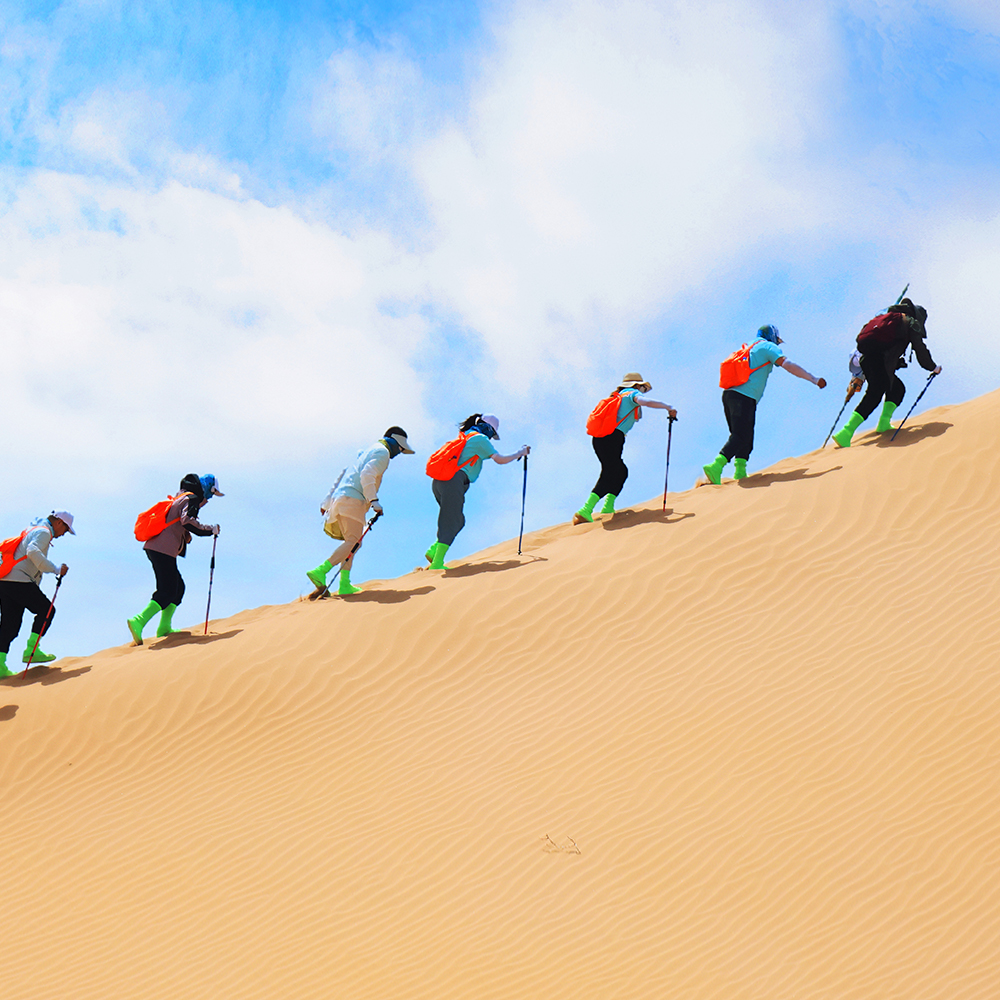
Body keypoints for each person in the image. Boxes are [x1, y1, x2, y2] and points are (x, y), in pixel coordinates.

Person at [703, 325, 827, 484]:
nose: (777, 344)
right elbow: (788, 365)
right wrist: (813, 379)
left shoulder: (747, 346)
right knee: (741, 435)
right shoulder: (767, 346)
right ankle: (716, 466)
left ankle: (740, 471)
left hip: (730, 395)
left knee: (745, 435)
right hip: (744, 396)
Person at [307, 427, 415, 597]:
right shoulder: (382, 452)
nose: (399, 453)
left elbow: (345, 474)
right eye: (401, 449)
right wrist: (374, 501)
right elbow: (367, 475)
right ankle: (322, 570)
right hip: (353, 501)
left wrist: (327, 501)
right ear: (395, 442)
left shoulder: (369, 450)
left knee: (352, 541)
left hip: (342, 500)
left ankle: (344, 584)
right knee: (354, 541)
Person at [127, 474, 223, 645]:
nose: (209, 498)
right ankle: (139, 621)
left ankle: (164, 627)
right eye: (212, 492)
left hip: (159, 548)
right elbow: (187, 521)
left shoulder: (182, 497)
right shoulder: (191, 499)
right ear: (206, 487)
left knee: (178, 588)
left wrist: (186, 535)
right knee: (168, 590)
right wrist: (210, 530)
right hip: (162, 549)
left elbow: (181, 523)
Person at [832, 298, 941, 447]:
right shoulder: (910, 322)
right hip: (880, 360)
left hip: (867, 359)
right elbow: (920, 349)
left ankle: (883, 424)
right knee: (874, 394)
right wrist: (932, 367)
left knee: (896, 389)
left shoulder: (886, 317)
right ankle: (846, 432)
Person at [425, 414, 530, 570]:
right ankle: (437, 563)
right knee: (452, 520)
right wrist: (520, 453)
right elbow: (499, 459)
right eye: (492, 433)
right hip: (454, 481)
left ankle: (434, 550)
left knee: (458, 520)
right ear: (487, 428)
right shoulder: (480, 439)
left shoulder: (466, 436)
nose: (491, 438)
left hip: (440, 482)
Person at [574, 373, 677, 523]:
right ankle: (586, 509)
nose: (643, 391)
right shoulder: (631, 393)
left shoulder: (619, 396)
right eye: (643, 387)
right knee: (611, 472)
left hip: (600, 438)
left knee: (620, 471)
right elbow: (646, 402)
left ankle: (608, 506)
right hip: (613, 437)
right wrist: (668, 407)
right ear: (636, 385)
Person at [0, 511, 75, 676]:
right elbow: (33, 551)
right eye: (66, 529)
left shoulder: (34, 528)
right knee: (47, 610)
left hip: (5, 581)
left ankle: (0, 666)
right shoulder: (44, 532)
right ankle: (32, 651)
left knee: (10, 626)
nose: (64, 534)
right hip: (19, 580)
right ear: (59, 523)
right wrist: (56, 569)